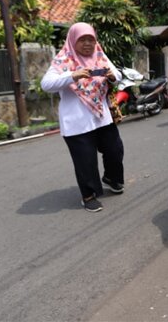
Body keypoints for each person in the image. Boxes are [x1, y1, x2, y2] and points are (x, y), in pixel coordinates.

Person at [41, 22, 125, 213]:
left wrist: (113, 76)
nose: (88, 44)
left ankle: (112, 178)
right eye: (82, 40)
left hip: (101, 117)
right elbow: (46, 84)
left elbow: (118, 75)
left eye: (91, 39)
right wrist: (72, 75)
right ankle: (88, 196)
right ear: (73, 40)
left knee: (115, 150)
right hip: (76, 122)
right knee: (85, 161)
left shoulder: (100, 55)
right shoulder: (63, 61)